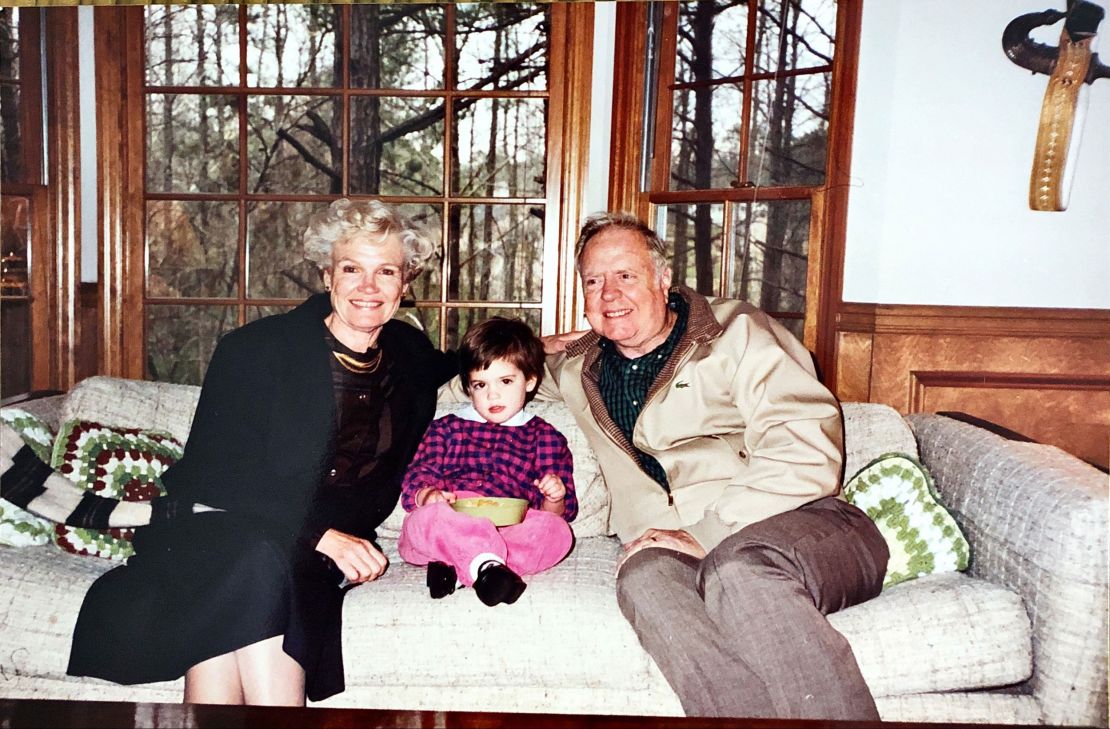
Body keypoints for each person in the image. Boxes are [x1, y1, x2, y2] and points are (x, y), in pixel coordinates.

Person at [63, 199, 457, 705]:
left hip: (297, 548)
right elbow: (212, 476)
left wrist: (546, 347)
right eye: (351, 268)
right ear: (327, 274)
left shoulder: (408, 355)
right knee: (253, 564)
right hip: (216, 525)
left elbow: (472, 363)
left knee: (251, 583)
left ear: (406, 283)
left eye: (386, 271)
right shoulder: (255, 350)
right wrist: (321, 535)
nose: (368, 286)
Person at [539, 212, 889, 720]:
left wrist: (708, 531)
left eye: (626, 276)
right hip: (670, 542)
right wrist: (522, 345)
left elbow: (806, 448)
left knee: (738, 571)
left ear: (664, 280)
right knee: (642, 576)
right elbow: (475, 379)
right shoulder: (577, 366)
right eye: (594, 281)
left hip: (805, 525)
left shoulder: (739, 333)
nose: (609, 294)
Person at [398, 317, 577, 607]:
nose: (493, 394)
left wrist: (554, 495)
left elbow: (556, 514)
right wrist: (427, 494)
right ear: (468, 388)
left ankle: (462, 570)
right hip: (453, 517)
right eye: (480, 384)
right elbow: (419, 473)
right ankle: (486, 568)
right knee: (421, 522)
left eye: (505, 381)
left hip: (510, 526)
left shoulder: (545, 437)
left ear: (530, 380)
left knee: (558, 534)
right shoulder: (446, 429)